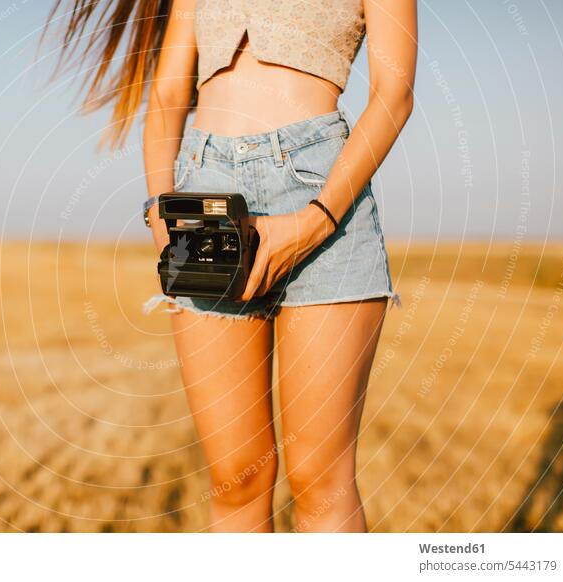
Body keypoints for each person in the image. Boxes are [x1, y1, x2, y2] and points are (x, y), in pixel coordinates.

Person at [45, 0, 417, 532]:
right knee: (236, 477)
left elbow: (394, 93)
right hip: (207, 189)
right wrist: (158, 207)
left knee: (320, 482)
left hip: (325, 186)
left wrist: (316, 219)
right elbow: (170, 92)